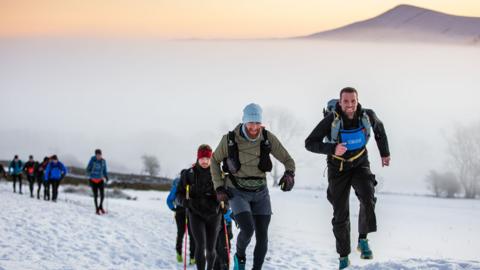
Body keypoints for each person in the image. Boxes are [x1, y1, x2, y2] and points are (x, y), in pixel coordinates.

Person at [305, 87, 390, 269]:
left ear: (357, 101)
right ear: (340, 102)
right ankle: (343, 257)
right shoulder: (331, 120)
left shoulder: (367, 116)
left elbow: (379, 129)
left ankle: (363, 240)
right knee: (340, 213)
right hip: (338, 169)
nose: (350, 105)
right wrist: (332, 148)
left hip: (360, 164)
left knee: (368, 197)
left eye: (353, 101)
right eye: (346, 101)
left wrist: (385, 153)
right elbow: (309, 143)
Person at [211, 103, 296, 270]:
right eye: (251, 123)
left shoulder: (267, 137)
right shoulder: (229, 139)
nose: (254, 127)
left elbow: (288, 160)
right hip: (237, 191)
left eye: (257, 123)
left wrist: (289, 174)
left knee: (263, 236)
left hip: (261, 193)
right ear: (244, 122)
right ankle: (240, 257)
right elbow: (214, 161)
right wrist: (219, 187)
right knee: (248, 230)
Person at [176, 144, 222, 270]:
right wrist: (184, 202)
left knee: (211, 248)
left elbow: (227, 192)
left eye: (207, 158)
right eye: (202, 158)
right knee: (200, 245)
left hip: (214, 214)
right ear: (198, 158)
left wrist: (225, 205)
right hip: (195, 214)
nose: (205, 161)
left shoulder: (218, 174)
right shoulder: (188, 174)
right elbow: (178, 195)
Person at [166, 176, 196, 265]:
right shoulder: (177, 185)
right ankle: (179, 253)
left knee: (192, 235)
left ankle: (192, 257)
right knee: (181, 233)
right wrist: (174, 209)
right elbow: (169, 200)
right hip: (180, 212)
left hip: (191, 212)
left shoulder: (194, 184)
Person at [86, 149, 109, 215]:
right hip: (93, 180)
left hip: (100, 180)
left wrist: (106, 176)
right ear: (95, 155)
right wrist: (91, 173)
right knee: (95, 196)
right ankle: (97, 209)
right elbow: (88, 169)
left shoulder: (103, 161)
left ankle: (100, 207)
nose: (99, 156)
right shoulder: (92, 160)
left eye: (100, 155)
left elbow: (104, 170)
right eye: (97, 155)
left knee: (102, 195)